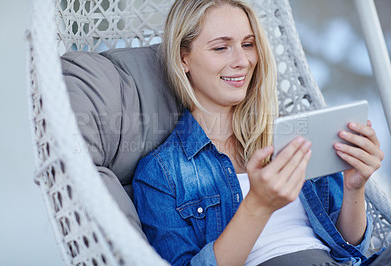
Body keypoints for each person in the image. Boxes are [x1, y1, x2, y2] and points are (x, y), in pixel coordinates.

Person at [132, 0, 387, 265]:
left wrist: (354, 188)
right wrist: (258, 205)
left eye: (248, 44)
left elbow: (349, 245)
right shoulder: (161, 174)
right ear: (183, 59)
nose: (242, 61)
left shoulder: (295, 136)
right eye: (221, 47)